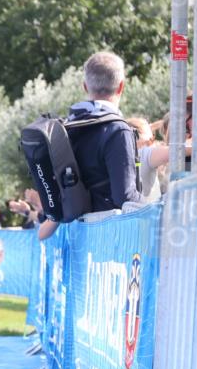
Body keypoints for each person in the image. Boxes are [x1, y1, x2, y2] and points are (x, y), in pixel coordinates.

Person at [38, 51, 141, 240]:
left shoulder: (67, 128)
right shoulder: (117, 130)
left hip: (77, 236)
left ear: (85, 86)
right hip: (110, 238)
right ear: (121, 86)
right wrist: (154, 208)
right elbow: (125, 197)